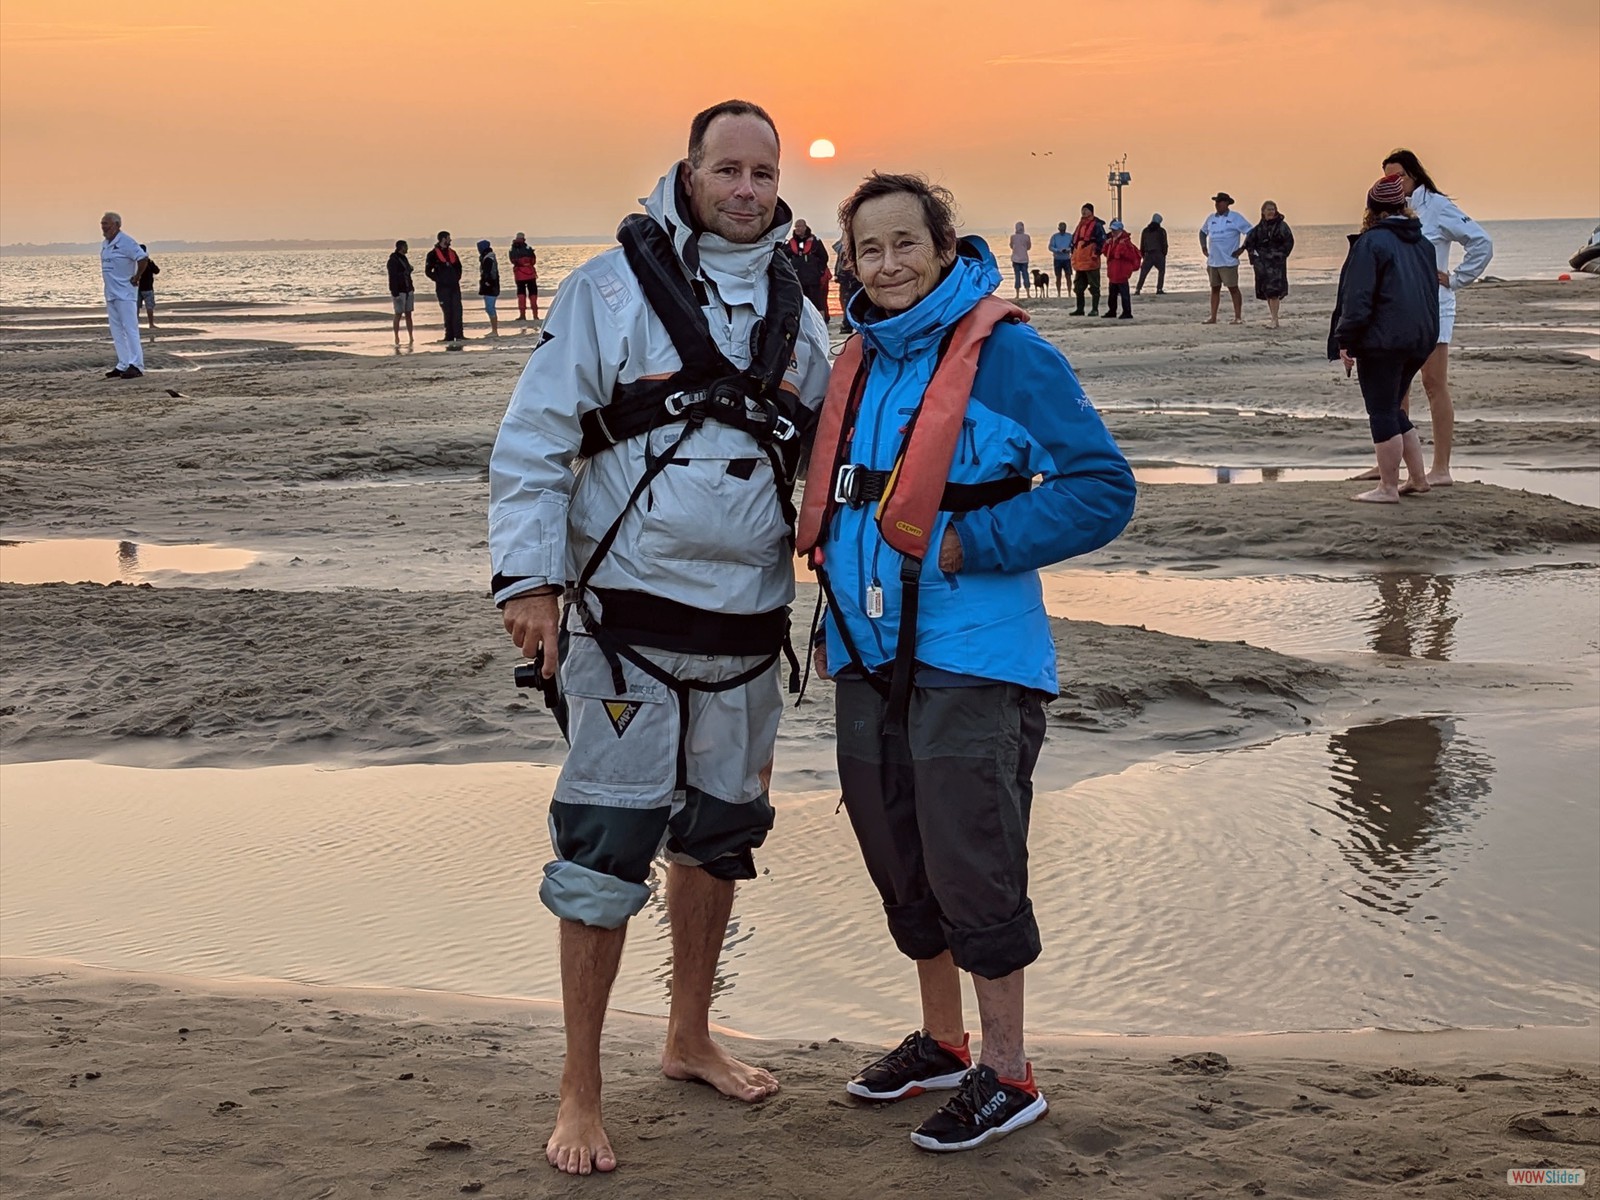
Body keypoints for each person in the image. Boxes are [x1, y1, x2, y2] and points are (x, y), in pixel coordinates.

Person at [487, 99, 831, 1177]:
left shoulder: (803, 316)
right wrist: (530, 582)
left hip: (747, 627)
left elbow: (827, 476)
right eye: (726, 168)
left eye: (763, 174)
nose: (746, 190)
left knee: (721, 833)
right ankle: (579, 1088)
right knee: (605, 846)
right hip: (621, 616)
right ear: (687, 173)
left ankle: (688, 1037)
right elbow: (535, 438)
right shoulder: (606, 290)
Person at [796, 172, 1135, 1153]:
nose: (888, 264)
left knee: (970, 859)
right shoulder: (855, 359)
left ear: (945, 249)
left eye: (907, 244)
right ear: (847, 260)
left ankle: (1008, 1068)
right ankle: (944, 1040)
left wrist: (963, 545)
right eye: (869, 249)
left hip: (975, 655)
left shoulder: (1009, 353)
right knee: (900, 853)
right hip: (863, 646)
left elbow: (1100, 488)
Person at [1375, 148, 1494, 486]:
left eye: (1397, 176)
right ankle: (1390, 465)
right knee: (1396, 385)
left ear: (1413, 175)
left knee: (1433, 382)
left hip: (1434, 305)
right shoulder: (1393, 210)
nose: (1392, 182)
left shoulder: (1438, 207)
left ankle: (1441, 468)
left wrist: (1455, 278)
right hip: (1399, 307)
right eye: (1387, 177)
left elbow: (1481, 242)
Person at [1328, 173, 1440, 504]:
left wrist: (1345, 339)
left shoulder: (1371, 243)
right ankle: (1418, 480)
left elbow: (1358, 299)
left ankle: (1388, 487)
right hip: (1420, 337)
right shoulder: (1423, 244)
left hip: (1384, 339)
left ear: (1371, 209)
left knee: (1380, 409)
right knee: (1392, 405)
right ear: (1402, 207)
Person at [99, 212, 147, 379]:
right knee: (117, 330)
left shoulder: (126, 241)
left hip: (125, 293)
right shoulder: (105, 244)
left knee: (130, 328)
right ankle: (123, 363)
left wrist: (137, 276)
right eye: (102, 224)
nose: (104, 227)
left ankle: (137, 364)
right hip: (111, 293)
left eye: (107, 224)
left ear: (117, 225)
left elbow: (142, 258)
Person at [1236, 201, 1294, 328]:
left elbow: (1289, 242)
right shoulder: (1258, 228)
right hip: (1262, 265)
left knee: (1274, 292)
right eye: (1268, 209)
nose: (1271, 211)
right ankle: (1274, 318)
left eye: (1273, 209)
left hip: (1276, 264)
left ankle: (1274, 319)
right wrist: (1254, 257)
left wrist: (1281, 255)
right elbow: (1248, 243)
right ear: (1263, 211)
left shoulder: (1282, 226)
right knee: (1268, 292)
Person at [1200, 192, 1252, 324]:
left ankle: (1238, 317)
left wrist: (1242, 248)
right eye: (1216, 202)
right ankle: (1213, 317)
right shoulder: (1211, 218)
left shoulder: (1235, 217)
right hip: (1213, 261)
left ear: (1227, 203)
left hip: (1228, 261)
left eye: (1220, 201)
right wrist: (1204, 247)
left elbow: (1250, 232)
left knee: (1233, 288)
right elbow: (1202, 232)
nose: (1217, 204)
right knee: (1214, 288)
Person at [784, 218, 832, 318]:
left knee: (818, 303)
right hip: (798, 279)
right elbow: (783, 257)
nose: (798, 229)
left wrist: (820, 271)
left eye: (800, 226)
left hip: (813, 279)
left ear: (805, 227)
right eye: (796, 227)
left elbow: (824, 257)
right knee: (800, 302)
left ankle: (821, 322)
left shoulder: (815, 241)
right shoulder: (790, 243)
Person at [425, 230, 465, 347]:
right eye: (448, 238)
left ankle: (459, 334)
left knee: (457, 310)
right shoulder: (432, 255)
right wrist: (439, 279)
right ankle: (449, 335)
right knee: (447, 311)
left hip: (454, 286)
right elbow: (428, 271)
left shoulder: (453, 253)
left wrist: (456, 277)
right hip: (442, 288)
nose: (450, 240)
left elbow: (459, 267)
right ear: (443, 239)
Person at [1068, 203, 1106, 315]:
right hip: (1079, 262)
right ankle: (1080, 309)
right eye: (1082, 210)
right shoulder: (1080, 225)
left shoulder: (1097, 225)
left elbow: (1102, 240)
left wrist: (1096, 252)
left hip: (1091, 261)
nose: (1083, 212)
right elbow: (1074, 240)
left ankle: (1095, 309)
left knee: (1094, 286)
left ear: (1091, 211)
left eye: (1086, 210)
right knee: (1078, 287)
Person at [1102, 219, 1141, 320]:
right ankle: (1112, 311)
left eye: (1115, 230)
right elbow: (1107, 254)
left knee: (1124, 294)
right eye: (1112, 230)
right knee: (1112, 294)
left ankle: (1127, 312)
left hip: (1121, 272)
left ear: (1120, 230)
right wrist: (1106, 244)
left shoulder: (1126, 243)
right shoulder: (1112, 241)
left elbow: (1130, 256)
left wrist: (1121, 248)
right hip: (1113, 271)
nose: (1113, 232)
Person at [387, 239, 415, 345]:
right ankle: (396, 337)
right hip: (399, 291)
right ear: (401, 247)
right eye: (406, 246)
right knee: (398, 314)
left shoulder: (404, 258)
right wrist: (395, 293)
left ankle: (411, 336)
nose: (407, 248)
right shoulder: (393, 260)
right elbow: (392, 277)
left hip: (408, 289)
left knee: (409, 314)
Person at [833, 235, 862, 332]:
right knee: (845, 300)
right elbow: (839, 262)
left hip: (853, 278)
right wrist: (837, 274)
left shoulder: (854, 247)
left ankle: (848, 325)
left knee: (850, 301)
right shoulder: (842, 247)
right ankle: (848, 324)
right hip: (845, 278)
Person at [509, 233, 539, 321]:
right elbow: (533, 261)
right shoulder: (528, 248)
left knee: (521, 295)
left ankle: (523, 315)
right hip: (530, 274)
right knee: (533, 294)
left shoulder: (513, 249)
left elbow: (512, 261)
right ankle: (535, 315)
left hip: (519, 275)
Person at [1135, 213, 1167, 294]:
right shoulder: (1161, 231)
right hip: (1159, 254)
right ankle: (1159, 289)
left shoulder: (1145, 231)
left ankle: (1138, 289)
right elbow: (1164, 244)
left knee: (1143, 272)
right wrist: (1164, 254)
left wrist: (1142, 254)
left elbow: (1142, 243)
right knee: (1161, 271)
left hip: (1148, 254)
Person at [477, 238, 501, 336]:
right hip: (492, 286)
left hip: (490, 287)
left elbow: (488, 273)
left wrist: (486, 283)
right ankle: (494, 330)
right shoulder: (490, 257)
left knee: (490, 308)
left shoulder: (488, 259)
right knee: (489, 308)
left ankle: (494, 330)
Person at [135, 246, 160, 330]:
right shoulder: (148, 262)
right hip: (147, 287)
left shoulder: (136, 262)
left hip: (137, 288)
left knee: (136, 308)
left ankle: (135, 324)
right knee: (149, 307)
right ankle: (151, 324)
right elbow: (157, 271)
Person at [1047, 221, 1072, 297]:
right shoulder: (1054, 236)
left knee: (1068, 276)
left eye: (1064, 228)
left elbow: (1073, 246)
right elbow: (1050, 247)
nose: (1062, 229)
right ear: (1058, 228)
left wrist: (1068, 249)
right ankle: (1058, 294)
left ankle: (1069, 293)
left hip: (1067, 258)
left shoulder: (1069, 236)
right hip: (1057, 258)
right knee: (1058, 277)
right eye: (1061, 228)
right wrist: (1058, 250)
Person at [1008, 221, 1032, 298]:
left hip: (1015, 259)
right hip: (1024, 258)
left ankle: (1017, 295)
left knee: (1017, 276)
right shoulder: (1027, 236)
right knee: (1025, 275)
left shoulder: (1013, 237)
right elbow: (1029, 247)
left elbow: (1011, 246)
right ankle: (1028, 294)